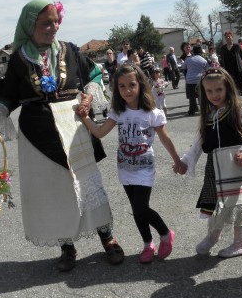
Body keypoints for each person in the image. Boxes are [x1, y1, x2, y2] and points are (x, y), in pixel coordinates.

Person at [0, 0, 125, 272]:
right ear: (30, 26)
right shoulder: (18, 59)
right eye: (45, 23)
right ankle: (67, 246)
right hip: (38, 133)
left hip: (74, 126)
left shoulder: (71, 50)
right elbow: (8, 96)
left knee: (88, 184)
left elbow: (96, 73)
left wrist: (87, 93)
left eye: (56, 21)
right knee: (55, 191)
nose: (53, 27)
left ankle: (108, 238)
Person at [77, 63, 181, 264]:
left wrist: (177, 160)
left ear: (141, 85)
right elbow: (99, 132)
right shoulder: (118, 112)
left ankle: (166, 233)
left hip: (144, 168)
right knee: (136, 209)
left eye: (131, 85)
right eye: (122, 86)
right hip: (125, 167)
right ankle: (147, 244)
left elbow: (166, 139)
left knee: (142, 207)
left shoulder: (152, 112)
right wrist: (85, 118)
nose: (127, 90)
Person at [174, 67, 242, 258]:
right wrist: (185, 161)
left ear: (228, 87)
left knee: (239, 203)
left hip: (236, 165)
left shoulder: (239, 111)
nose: (214, 95)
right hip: (215, 168)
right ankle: (213, 235)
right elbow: (197, 144)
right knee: (215, 203)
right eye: (209, 91)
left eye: (219, 90)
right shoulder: (208, 116)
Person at [180, 44, 209, 116]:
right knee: (200, 97)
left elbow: (183, 67)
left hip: (190, 80)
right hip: (199, 80)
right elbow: (207, 69)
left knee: (192, 97)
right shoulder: (203, 60)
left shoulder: (188, 59)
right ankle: (203, 110)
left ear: (193, 51)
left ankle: (191, 111)